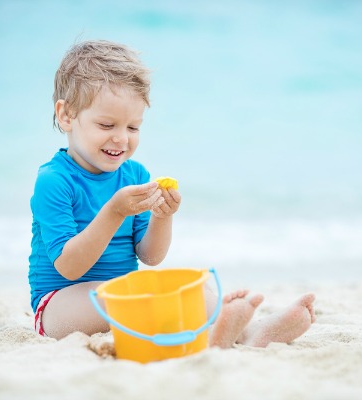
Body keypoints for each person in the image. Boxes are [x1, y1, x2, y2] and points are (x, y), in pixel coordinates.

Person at [28, 39, 316, 348]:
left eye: (133, 128)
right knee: (134, 298)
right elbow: (70, 267)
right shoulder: (54, 180)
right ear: (67, 115)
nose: (121, 138)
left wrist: (162, 217)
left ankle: (247, 332)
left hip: (125, 294)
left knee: (193, 285)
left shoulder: (134, 175)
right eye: (107, 124)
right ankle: (224, 332)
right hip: (59, 306)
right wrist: (114, 212)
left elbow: (150, 256)